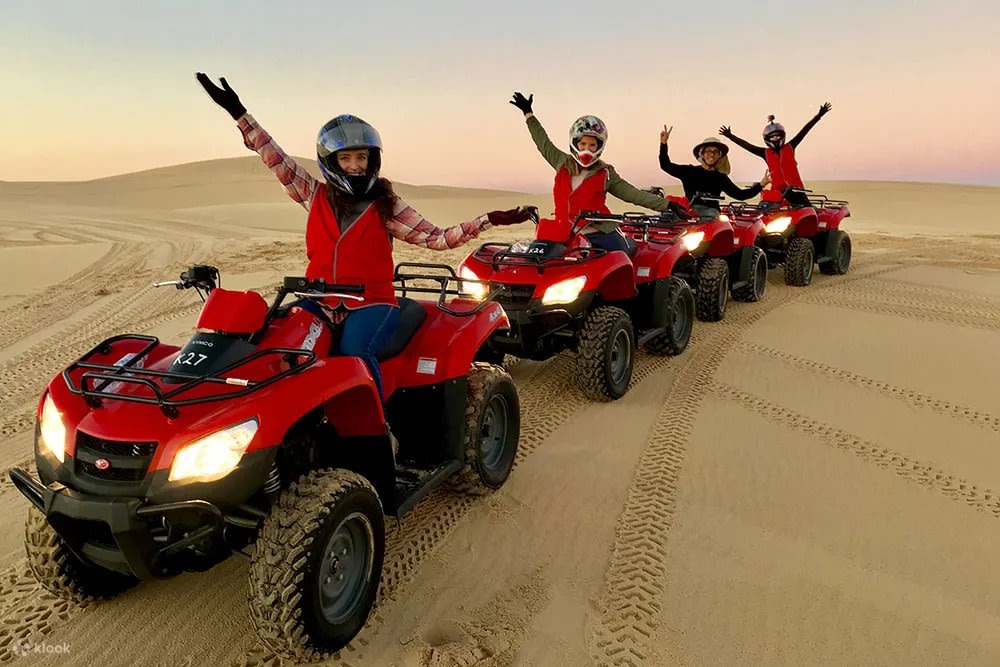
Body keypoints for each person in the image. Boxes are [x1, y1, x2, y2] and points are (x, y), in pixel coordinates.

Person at [196, 73, 535, 404]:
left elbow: (438, 239)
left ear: (372, 159)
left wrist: (489, 219)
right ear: (332, 162)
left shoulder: (386, 206)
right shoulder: (314, 195)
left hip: (372, 302)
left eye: (362, 157)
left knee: (353, 355)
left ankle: (375, 430)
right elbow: (276, 160)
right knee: (277, 345)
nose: (355, 165)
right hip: (319, 299)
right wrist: (240, 114)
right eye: (346, 158)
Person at [509, 91, 683, 253]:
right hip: (563, 232)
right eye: (583, 144)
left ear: (599, 147)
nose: (587, 149)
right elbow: (542, 142)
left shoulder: (606, 173)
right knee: (539, 259)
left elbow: (633, 194)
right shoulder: (561, 162)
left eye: (592, 145)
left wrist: (667, 205)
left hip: (599, 231)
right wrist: (528, 114)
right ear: (575, 144)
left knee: (621, 256)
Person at [719, 102, 832, 207]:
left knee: (808, 210)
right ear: (767, 139)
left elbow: (805, 130)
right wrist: (730, 136)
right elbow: (747, 146)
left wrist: (819, 115)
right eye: (772, 137)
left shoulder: (790, 147)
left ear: (782, 136)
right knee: (764, 210)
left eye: (777, 136)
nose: (775, 139)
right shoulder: (765, 153)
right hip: (777, 192)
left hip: (796, 190)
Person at [657, 125, 770, 215]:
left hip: (711, 216)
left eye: (716, 152)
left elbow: (740, 195)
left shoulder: (720, 177)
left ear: (720, 156)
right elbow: (665, 165)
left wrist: (761, 185)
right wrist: (663, 144)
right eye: (708, 151)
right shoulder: (689, 171)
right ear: (702, 154)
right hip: (689, 214)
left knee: (714, 218)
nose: (712, 155)